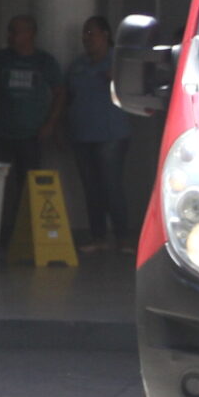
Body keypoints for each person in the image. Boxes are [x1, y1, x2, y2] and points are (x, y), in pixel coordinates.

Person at [0, 14, 66, 257]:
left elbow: (60, 93)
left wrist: (51, 124)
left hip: (30, 135)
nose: (11, 36)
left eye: (16, 31)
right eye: (9, 31)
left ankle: (19, 240)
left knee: (27, 189)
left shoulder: (45, 62)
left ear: (31, 34)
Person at [65, 16, 136, 251]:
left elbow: (135, 87)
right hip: (82, 133)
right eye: (84, 34)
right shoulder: (78, 65)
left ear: (105, 34)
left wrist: (116, 79)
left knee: (111, 186)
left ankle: (123, 237)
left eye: (91, 33)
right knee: (91, 187)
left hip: (111, 134)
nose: (87, 38)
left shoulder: (118, 60)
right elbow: (68, 96)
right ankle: (98, 237)